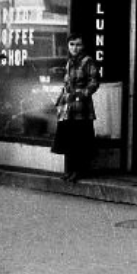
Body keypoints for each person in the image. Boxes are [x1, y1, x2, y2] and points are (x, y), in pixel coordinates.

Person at [50, 34, 98, 182]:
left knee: (80, 139)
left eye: (78, 45)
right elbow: (67, 83)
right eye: (72, 44)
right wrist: (60, 100)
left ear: (82, 46)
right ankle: (69, 170)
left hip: (81, 107)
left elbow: (94, 82)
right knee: (69, 139)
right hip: (68, 107)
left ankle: (79, 170)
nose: (74, 48)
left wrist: (82, 94)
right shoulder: (69, 62)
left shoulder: (87, 61)